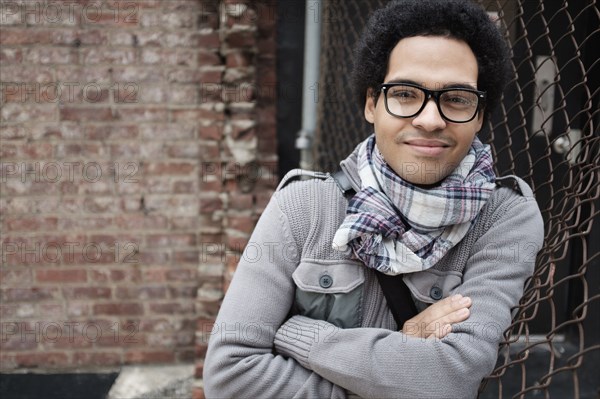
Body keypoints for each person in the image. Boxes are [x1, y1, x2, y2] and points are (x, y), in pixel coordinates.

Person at [203, 0, 544, 397]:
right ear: (371, 103)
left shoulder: (504, 218)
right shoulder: (304, 206)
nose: (430, 119)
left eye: (456, 98)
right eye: (404, 93)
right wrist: (403, 352)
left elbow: (450, 377)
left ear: (480, 114)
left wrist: (302, 337)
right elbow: (229, 376)